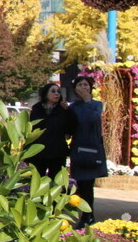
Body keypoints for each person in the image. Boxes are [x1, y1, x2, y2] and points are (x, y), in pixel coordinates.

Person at [69, 75, 108, 227]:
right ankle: (86, 215)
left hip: (92, 149)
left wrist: (87, 101)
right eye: (80, 85)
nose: (83, 88)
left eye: (86, 85)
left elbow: (91, 119)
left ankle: (88, 216)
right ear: (75, 89)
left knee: (88, 185)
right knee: (81, 184)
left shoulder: (97, 105)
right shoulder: (72, 107)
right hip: (78, 149)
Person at [27, 82, 74, 181]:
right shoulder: (37, 109)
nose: (56, 94)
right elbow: (31, 128)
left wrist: (68, 111)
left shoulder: (62, 109)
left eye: (58, 92)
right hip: (39, 152)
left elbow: (71, 128)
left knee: (56, 181)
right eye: (53, 91)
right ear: (45, 93)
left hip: (57, 152)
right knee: (37, 180)